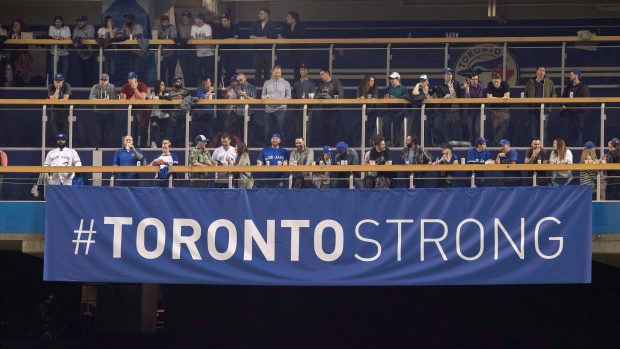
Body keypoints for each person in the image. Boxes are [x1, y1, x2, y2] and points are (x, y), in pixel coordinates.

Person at [524, 66, 557, 141]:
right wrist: (526, 100)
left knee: (544, 130)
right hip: (533, 109)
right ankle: (535, 148)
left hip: (545, 109)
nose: (542, 72)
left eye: (543, 70)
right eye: (540, 70)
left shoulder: (549, 82)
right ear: (536, 72)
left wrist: (550, 101)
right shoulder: (530, 82)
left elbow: (554, 94)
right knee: (534, 131)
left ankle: (543, 148)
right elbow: (525, 93)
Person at [262, 65, 292, 145]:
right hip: (269, 109)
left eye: (279, 73)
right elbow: (263, 97)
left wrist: (280, 102)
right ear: (272, 72)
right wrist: (266, 99)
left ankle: (283, 148)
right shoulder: (267, 83)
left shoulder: (286, 83)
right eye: (276, 73)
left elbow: (288, 97)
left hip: (281, 109)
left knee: (281, 130)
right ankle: (267, 148)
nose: (277, 74)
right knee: (267, 131)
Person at [433, 67, 464, 144]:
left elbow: (461, 96)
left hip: (456, 110)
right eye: (447, 74)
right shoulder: (440, 86)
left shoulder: (456, 84)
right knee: (447, 128)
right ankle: (448, 143)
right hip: (446, 111)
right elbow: (439, 98)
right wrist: (444, 97)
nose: (449, 76)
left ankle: (457, 143)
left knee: (457, 128)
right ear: (444, 76)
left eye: (450, 74)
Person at [561, 69, 591, 147]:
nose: (569, 76)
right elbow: (563, 97)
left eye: (571, 74)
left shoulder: (583, 87)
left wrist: (577, 108)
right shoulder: (568, 87)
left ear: (576, 75)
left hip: (578, 113)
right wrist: (563, 104)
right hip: (567, 113)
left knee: (578, 131)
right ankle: (566, 146)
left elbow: (585, 100)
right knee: (566, 131)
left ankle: (577, 147)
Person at [316, 69, 345, 145]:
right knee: (326, 129)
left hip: (334, 109)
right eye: (320, 75)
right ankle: (328, 145)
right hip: (324, 110)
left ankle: (336, 145)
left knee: (334, 128)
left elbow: (341, 94)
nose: (321, 76)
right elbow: (317, 96)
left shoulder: (336, 82)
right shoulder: (321, 85)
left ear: (327, 74)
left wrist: (335, 100)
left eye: (322, 74)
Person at [249, 8, 277, 86]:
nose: (259, 15)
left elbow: (271, 38)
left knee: (267, 72)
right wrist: (262, 38)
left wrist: (258, 38)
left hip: (268, 52)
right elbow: (251, 36)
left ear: (267, 15)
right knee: (257, 71)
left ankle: (267, 89)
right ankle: (257, 89)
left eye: (261, 14)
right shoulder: (255, 24)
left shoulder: (272, 25)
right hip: (257, 51)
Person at [120, 72, 149, 147]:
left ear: (136, 79)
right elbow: (122, 97)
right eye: (129, 78)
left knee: (143, 129)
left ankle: (143, 146)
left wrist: (135, 89)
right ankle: (133, 146)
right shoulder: (125, 86)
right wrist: (128, 98)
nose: (130, 80)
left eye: (132, 78)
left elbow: (143, 98)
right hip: (132, 110)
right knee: (134, 129)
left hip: (143, 109)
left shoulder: (142, 85)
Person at [89, 73, 117, 148]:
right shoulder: (95, 87)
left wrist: (100, 102)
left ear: (108, 81)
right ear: (99, 80)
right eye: (102, 80)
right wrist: (101, 101)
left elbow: (113, 100)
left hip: (109, 113)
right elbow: (91, 99)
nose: (103, 82)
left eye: (105, 80)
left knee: (109, 134)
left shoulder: (112, 87)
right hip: (97, 114)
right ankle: (98, 150)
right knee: (98, 134)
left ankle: (108, 150)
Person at [278, 11, 307, 82]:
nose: (286, 18)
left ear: (294, 19)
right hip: (291, 52)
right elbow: (280, 37)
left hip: (301, 52)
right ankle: (296, 86)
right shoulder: (286, 26)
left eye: (288, 17)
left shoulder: (301, 26)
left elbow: (298, 38)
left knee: (302, 70)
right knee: (295, 70)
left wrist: (286, 40)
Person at [292, 64, 317, 142]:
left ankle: (306, 146)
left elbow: (313, 96)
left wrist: (308, 100)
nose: (302, 72)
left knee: (307, 130)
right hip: (298, 110)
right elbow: (294, 97)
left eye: (304, 70)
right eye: (301, 70)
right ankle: (298, 146)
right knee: (298, 130)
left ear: (307, 71)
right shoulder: (296, 84)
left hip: (309, 109)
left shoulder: (312, 83)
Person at [383, 72, 409, 146]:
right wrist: (386, 98)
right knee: (386, 125)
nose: (391, 80)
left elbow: (406, 98)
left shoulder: (403, 88)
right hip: (389, 110)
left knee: (396, 127)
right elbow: (384, 99)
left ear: (398, 79)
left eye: (393, 79)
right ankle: (387, 141)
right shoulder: (388, 89)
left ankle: (396, 144)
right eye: (390, 79)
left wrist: (396, 99)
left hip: (399, 111)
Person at [486, 72, 511, 146]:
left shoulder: (505, 84)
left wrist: (496, 98)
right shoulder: (490, 84)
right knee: (495, 128)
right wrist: (501, 98)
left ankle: (496, 143)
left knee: (503, 126)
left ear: (500, 80)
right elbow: (489, 97)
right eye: (494, 82)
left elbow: (507, 96)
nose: (495, 83)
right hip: (494, 109)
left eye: (497, 82)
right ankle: (498, 145)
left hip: (504, 109)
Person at [213, 13, 239, 84]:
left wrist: (226, 39)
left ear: (229, 21)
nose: (223, 23)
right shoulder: (219, 27)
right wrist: (230, 39)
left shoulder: (235, 27)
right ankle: (226, 84)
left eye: (225, 21)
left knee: (232, 70)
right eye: (222, 21)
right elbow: (219, 38)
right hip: (224, 51)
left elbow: (237, 38)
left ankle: (225, 82)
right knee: (227, 69)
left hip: (234, 51)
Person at [164, 76, 190, 147]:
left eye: (180, 81)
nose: (180, 83)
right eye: (177, 81)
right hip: (173, 117)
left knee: (183, 136)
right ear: (173, 83)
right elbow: (165, 101)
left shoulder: (185, 91)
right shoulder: (170, 92)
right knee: (173, 137)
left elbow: (190, 99)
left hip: (183, 116)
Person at [191, 13, 215, 88]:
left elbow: (208, 38)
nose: (194, 20)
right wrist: (202, 39)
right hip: (199, 54)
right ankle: (204, 82)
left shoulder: (207, 27)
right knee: (196, 71)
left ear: (201, 19)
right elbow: (192, 38)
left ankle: (210, 88)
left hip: (209, 54)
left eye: (196, 19)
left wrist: (198, 40)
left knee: (209, 73)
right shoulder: (193, 27)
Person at [230, 73, 257, 137]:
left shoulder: (252, 87)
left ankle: (248, 145)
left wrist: (246, 96)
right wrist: (234, 98)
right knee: (239, 132)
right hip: (239, 113)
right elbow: (235, 103)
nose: (240, 82)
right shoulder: (237, 88)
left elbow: (254, 101)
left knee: (248, 132)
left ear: (245, 78)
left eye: (241, 80)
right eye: (238, 81)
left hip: (249, 113)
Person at [462, 72, 486, 144]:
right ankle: (471, 145)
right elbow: (467, 101)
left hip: (479, 111)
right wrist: (467, 90)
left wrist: (473, 101)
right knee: (470, 130)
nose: (475, 81)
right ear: (470, 80)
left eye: (476, 79)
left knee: (477, 130)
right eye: (473, 79)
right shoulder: (467, 87)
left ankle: (478, 144)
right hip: (470, 111)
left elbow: (480, 98)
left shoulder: (481, 86)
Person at [72, 15, 96, 87]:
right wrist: (82, 38)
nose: (79, 23)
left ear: (86, 22)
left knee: (89, 72)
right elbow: (74, 39)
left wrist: (82, 38)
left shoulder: (90, 27)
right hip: (80, 53)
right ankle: (84, 88)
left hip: (89, 53)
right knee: (82, 72)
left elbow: (89, 38)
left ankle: (90, 88)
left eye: (81, 21)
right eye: (79, 21)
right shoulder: (76, 28)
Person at [8, 19, 33, 87]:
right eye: (14, 25)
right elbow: (10, 46)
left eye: (17, 25)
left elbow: (25, 46)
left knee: (22, 74)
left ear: (21, 26)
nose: (15, 26)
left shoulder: (25, 34)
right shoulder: (10, 35)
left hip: (23, 57)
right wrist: (15, 34)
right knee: (15, 74)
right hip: (14, 56)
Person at [47, 73, 71, 143]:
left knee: (65, 133)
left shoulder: (67, 86)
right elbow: (53, 101)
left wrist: (54, 100)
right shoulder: (50, 87)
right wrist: (57, 90)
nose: (57, 82)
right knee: (56, 133)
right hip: (54, 112)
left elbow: (65, 99)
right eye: (56, 81)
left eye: (59, 81)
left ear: (62, 81)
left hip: (64, 112)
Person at [120, 14, 144, 78]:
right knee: (129, 68)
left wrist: (129, 37)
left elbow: (138, 37)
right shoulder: (125, 28)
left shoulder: (138, 26)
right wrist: (124, 30)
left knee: (137, 69)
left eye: (128, 19)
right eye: (125, 19)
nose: (126, 21)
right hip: (129, 52)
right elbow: (123, 38)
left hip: (138, 52)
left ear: (132, 20)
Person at [358, 75, 379, 146]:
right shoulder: (360, 88)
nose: (372, 83)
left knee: (371, 129)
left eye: (373, 81)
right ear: (367, 81)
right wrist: (361, 98)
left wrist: (372, 99)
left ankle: (369, 144)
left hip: (372, 111)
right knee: (363, 129)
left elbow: (375, 98)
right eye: (371, 81)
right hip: (362, 111)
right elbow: (357, 98)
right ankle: (363, 144)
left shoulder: (374, 88)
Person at [158, 15, 178, 85]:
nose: (165, 24)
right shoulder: (158, 28)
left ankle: (171, 88)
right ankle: (162, 88)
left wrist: (163, 40)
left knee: (171, 72)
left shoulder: (172, 27)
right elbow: (156, 38)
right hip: (162, 53)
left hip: (171, 52)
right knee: (161, 72)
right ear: (161, 23)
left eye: (166, 22)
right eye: (164, 22)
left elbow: (173, 38)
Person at [176, 11, 195, 88]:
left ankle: (193, 87)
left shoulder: (193, 26)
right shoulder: (179, 26)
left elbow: (191, 37)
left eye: (186, 18)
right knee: (185, 71)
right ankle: (188, 88)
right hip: (182, 50)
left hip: (192, 50)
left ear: (190, 19)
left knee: (192, 70)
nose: (185, 20)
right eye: (183, 18)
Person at [149, 80, 169, 148]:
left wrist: (161, 98)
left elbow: (170, 99)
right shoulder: (153, 94)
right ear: (158, 86)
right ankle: (153, 143)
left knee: (163, 131)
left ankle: (163, 145)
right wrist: (154, 100)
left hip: (164, 115)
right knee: (154, 128)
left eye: (164, 85)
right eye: (162, 84)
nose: (163, 86)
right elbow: (149, 102)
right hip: (155, 115)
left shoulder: (166, 94)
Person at [97, 16, 118, 80]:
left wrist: (110, 27)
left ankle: (112, 80)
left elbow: (112, 37)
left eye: (111, 21)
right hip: (103, 51)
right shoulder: (101, 29)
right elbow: (100, 38)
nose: (110, 22)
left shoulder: (115, 29)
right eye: (109, 21)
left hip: (112, 50)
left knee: (112, 67)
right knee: (105, 67)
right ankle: (105, 80)